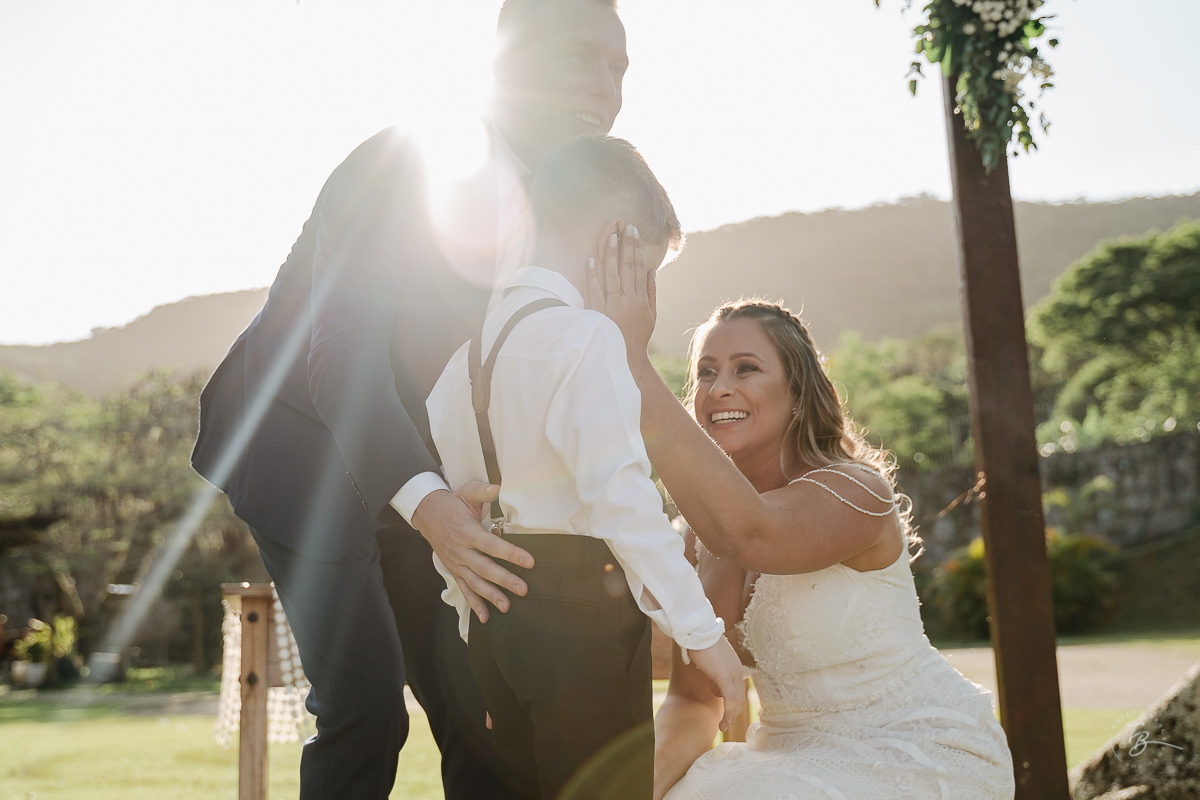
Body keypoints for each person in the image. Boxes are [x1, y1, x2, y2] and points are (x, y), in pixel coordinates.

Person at [190, 2, 631, 797]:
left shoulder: (566, 215)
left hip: (422, 466)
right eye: (583, 59)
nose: (607, 88)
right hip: (300, 444)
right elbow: (343, 356)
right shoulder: (404, 163)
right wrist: (431, 508)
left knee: (479, 714)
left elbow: (540, 376)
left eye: (621, 70)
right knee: (366, 710)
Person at [587, 255, 1016, 797]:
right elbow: (695, 701)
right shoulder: (703, 536)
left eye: (746, 368)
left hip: (914, 749)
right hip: (787, 759)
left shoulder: (855, 492)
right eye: (705, 372)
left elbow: (753, 534)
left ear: (796, 393)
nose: (719, 387)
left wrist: (630, 361)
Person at [425, 134, 746, 800]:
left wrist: (474, 642)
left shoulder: (460, 365)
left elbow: (465, 521)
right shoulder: (586, 338)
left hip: (495, 623)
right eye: (645, 266)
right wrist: (703, 636)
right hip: (584, 631)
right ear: (615, 241)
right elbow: (622, 502)